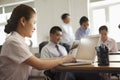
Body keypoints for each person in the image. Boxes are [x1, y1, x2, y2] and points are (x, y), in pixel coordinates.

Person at [0, 4, 74, 80]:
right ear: (23, 21)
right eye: (33, 23)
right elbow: (39, 65)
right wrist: (63, 60)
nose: (34, 28)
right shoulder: (13, 42)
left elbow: (37, 61)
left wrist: (61, 58)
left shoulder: (19, 40)